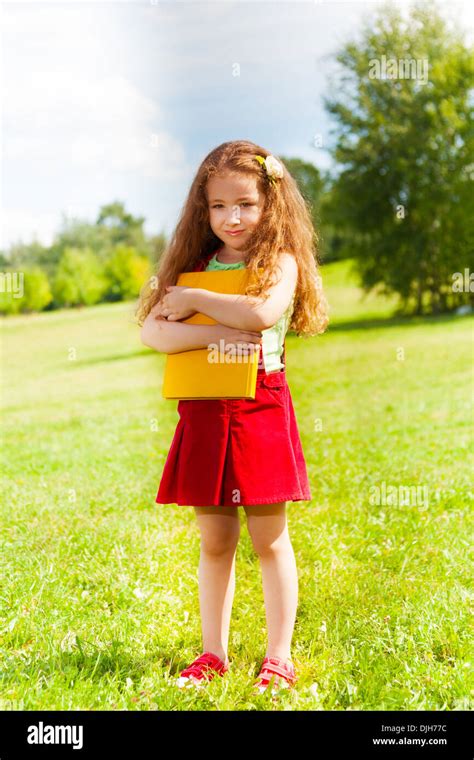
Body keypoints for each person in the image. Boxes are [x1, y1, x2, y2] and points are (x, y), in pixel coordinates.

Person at [136, 140, 329, 695]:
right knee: (215, 540)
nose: (232, 217)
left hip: (260, 407)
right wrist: (217, 331)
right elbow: (155, 331)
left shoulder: (279, 264)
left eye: (245, 203)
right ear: (204, 209)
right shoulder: (195, 269)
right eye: (219, 206)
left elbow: (262, 312)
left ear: (271, 204)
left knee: (269, 538)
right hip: (204, 411)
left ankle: (279, 657)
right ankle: (212, 654)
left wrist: (194, 299)